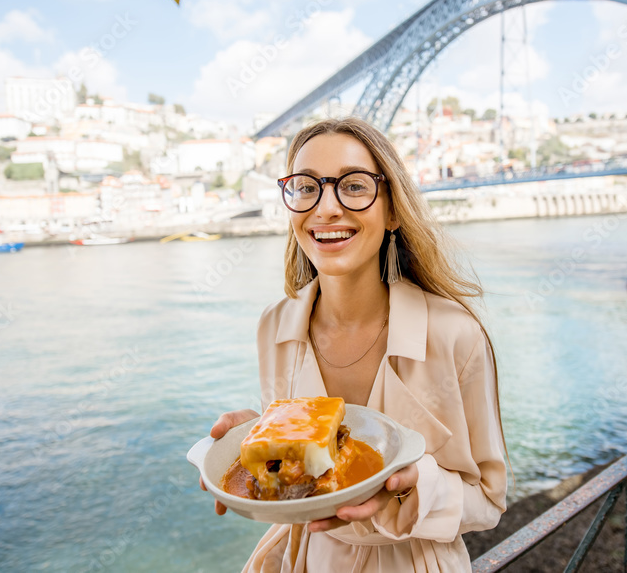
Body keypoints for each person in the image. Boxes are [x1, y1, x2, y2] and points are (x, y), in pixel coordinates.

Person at [204, 117, 508, 572]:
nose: (325, 208)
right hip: (303, 559)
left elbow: (488, 500)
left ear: (393, 211)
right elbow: (305, 458)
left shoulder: (454, 334)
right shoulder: (273, 325)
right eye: (306, 187)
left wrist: (409, 488)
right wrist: (262, 438)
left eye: (354, 185)